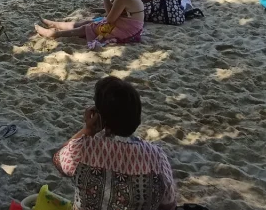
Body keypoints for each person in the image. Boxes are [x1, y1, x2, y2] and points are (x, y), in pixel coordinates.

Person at [52, 76, 177, 210]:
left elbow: (58, 160)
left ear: (99, 117)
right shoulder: (156, 157)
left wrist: (88, 130)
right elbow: (169, 205)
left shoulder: (83, 149)